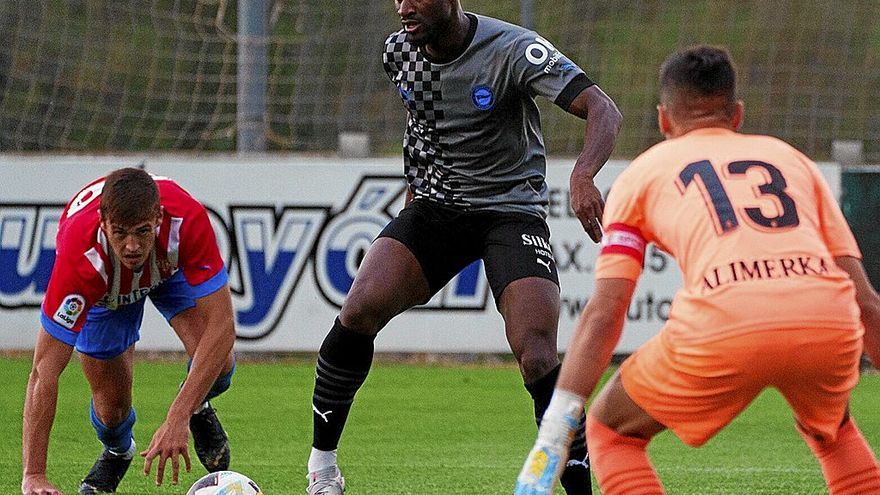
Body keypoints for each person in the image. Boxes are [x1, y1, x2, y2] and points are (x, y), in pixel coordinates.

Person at [514, 45, 880, 495]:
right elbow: (866, 300)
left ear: (664, 120)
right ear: (738, 115)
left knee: (612, 432)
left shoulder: (642, 174)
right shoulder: (792, 161)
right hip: (825, 322)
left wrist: (556, 429)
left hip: (726, 322)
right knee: (834, 431)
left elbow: (606, 312)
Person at [304, 1, 622, 494]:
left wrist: (582, 175)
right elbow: (423, 124)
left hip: (510, 210)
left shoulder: (513, 49)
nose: (404, 8)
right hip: (437, 209)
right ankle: (322, 470)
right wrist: (412, 203)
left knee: (537, 353)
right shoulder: (398, 52)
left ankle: (580, 487)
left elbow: (603, 108)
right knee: (358, 310)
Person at [22, 168, 237, 495]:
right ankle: (118, 451)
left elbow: (222, 327)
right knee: (111, 412)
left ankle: (197, 406)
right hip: (105, 294)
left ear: (159, 217)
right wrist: (34, 474)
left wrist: (179, 414)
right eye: (119, 233)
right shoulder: (79, 260)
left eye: (142, 231)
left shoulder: (187, 220)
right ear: (102, 222)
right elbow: (44, 371)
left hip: (168, 271)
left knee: (219, 363)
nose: (132, 245)